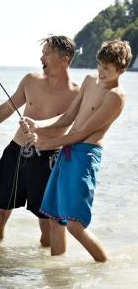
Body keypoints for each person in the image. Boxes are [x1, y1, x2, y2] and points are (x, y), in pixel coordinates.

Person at [0, 35, 80, 246]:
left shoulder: (76, 93)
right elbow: (6, 108)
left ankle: (47, 271)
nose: (41, 57)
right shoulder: (31, 80)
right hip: (16, 154)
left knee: (47, 224)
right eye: (42, 52)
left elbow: (72, 125)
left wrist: (40, 128)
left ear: (64, 59)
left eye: (47, 53)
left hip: (48, 160)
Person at [21, 40, 132, 262]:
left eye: (107, 69)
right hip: (67, 151)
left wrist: (45, 144)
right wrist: (39, 125)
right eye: (99, 65)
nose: (101, 72)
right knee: (54, 218)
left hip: (85, 156)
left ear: (120, 70)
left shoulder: (116, 97)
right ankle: (57, 273)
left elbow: (83, 134)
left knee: (74, 225)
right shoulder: (90, 80)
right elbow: (69, 117)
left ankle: (105, 268)